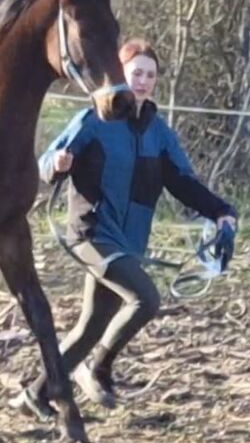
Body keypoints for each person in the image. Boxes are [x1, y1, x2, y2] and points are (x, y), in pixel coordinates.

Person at [16, 38, 237, 417]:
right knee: (146, 300)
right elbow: (45, 162)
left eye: (150, 74)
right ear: (121, 74)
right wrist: (59, 164)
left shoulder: (159, 132)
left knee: (92, 323)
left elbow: (182, 182)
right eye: (137, 72)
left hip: (129, 240)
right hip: (92, 233)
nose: (143, 80)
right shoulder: (94, 120)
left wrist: (221, 211)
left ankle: (36, 393)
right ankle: (98, 367)